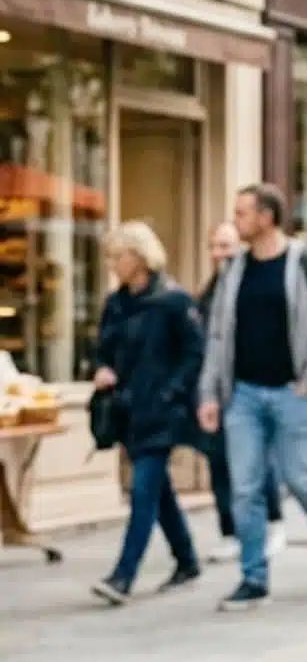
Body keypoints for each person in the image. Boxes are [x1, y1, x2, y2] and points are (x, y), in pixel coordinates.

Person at [198, 182, 307, 612]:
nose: (236, 221)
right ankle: (254, 578)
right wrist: (210, 393)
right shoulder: (234, 270)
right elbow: (217, 336)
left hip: (294, 393)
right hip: (244, 395)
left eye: (243, 213)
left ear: (267, 217)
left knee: (302, 480)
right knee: (245, 489)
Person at [90, 223, 204, 605]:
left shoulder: (173, 300)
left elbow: (194, 354)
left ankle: (123, 576)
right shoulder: (116, 303)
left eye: (117, 256)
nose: (112, 264)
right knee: (159, 492)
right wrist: (103, 369)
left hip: (161, 412)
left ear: (139, 257)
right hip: (126, 410)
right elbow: (104, 348)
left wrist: (172, 392)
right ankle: (187, 560)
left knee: (142, 491)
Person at [197, 221, 285, 563]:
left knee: (258, 464)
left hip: (250, 386)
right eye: (215, 246)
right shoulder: (210, 291)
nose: (220, 254)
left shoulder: (247, 284)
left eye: (227, 246)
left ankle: (273, 524)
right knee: (219, 461)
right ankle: (230, 531)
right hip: (215, 390)